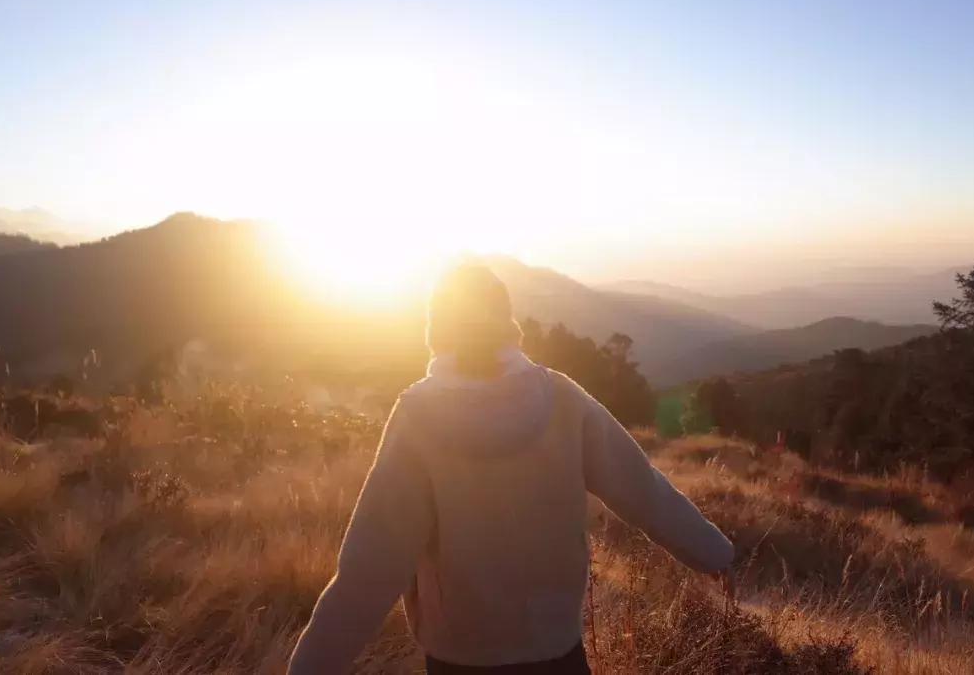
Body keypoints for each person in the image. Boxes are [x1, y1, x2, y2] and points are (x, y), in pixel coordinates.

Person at [288, 264, 735, 674]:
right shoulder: (563, 400)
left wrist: (308, 668)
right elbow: (644, 491)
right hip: (557, 650)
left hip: (459, 657)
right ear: (509, 327)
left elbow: (370, 567)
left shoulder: (418, 419)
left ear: (436, 332)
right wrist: (713, 553)